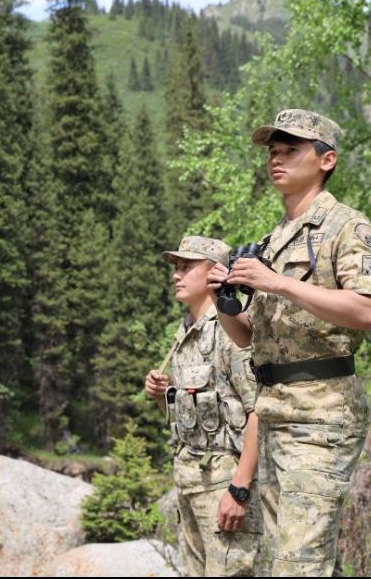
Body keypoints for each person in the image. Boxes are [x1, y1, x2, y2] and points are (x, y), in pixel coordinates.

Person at [208, 109, 371, 576]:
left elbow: (369, 312)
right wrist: (224, 303)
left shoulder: (347, 227)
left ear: (326, 160)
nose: (277, 160)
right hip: (273, 413)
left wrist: (279, 284)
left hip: (321, 415)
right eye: (273, 152)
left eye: (291, 150)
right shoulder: (275, 239)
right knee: (295, 561)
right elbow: (250, 337)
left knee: (298, 564)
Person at [145, 236, 261, 576]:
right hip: (191, 486)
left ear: (214, 273)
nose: (176, 275)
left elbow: (259, 411)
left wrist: (239, 490)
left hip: (223, 488)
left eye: (186, 267)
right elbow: (197, 418)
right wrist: (162, 397)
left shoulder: (230, 331)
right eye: (175, 268)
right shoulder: (186, 334)